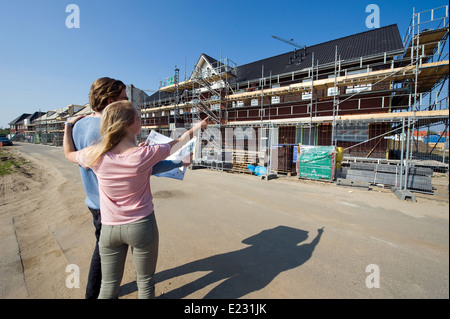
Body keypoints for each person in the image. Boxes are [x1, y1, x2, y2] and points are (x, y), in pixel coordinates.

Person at [64, 100, 208, 298]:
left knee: (108, 285)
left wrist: (68, 125)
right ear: (128, 125)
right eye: (138, 117)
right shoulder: (144, 154)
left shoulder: (95, 155)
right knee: (146, 283)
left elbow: (68, 153)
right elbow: (180, 142)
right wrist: (199, 127)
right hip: (141, 225)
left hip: (109, 229)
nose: (141, 120)